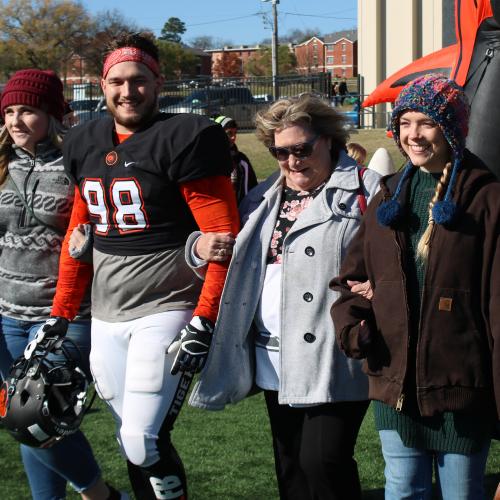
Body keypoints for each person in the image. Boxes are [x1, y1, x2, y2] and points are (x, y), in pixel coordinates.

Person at [40, 32, 239, 500]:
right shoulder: (84, 140)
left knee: (139, 438)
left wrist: (204, 319)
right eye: (117, 81)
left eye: (139, 80)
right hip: (107, 313)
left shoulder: (188, 136)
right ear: (101, 84)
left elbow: (221, 240)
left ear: (159, 81)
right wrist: (61, 312)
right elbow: (76, 237)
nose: (128, 91)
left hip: (166, 306)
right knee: (132, 438)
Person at [187, 93, 381, 499]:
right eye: (280, 152)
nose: (292, 161)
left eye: (302, 149)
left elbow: (399, 250)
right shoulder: (259, 198)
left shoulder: (367, 188)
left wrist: (382, 286)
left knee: (323, 460)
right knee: (291, 467)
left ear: (328, 140)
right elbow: (225, 253)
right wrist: (198, 248)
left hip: (335, 353)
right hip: (273, 356)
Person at [331, 74, 500, 499]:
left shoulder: (487, 199)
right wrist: (356, 327)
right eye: (405, 123)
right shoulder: (388, 198)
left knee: (462, 494)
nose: (413, 135)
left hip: (461, 387)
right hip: (395, 386)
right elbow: (350, 281)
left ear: (451, 129)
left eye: (426, 122)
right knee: (403, 490)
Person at [0, 70, 121, 500]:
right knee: (25, 418)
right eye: (10, 111)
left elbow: (109, 227)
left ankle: (100, 495)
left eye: (27, 111)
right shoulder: (2, 163)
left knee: (37, 413)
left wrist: (91, 243)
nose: (15, 121)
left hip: (65, 315)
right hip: (8, 314)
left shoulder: (77, 160)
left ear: (53, 114)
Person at [213, 115, 258, 203]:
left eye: (235, 133)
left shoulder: (241, 160)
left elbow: (252, 188)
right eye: (229, 133)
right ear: (218, 133)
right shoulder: (209, 159)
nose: (233, 137)